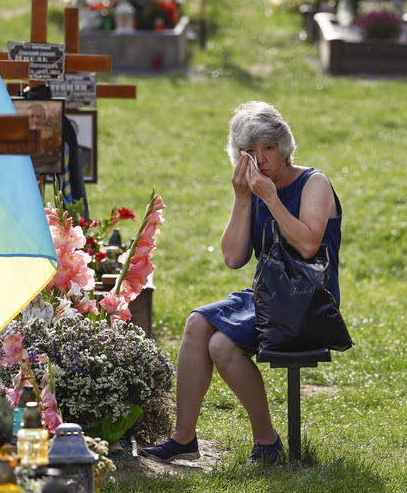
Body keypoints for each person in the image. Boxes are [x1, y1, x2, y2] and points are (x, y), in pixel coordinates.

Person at [142, 101, 342, 465]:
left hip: (308, 301)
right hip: (266, 296)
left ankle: (266, 443)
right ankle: (183, 438)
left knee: (222, 345)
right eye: (249, 151)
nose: (261, 158)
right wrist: (242, 198)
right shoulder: (253, 188)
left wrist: (270, 197)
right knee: (196, 324)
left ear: (284, 146)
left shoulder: (314, 182)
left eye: (268, 148)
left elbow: (309, 243)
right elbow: (234, 258)